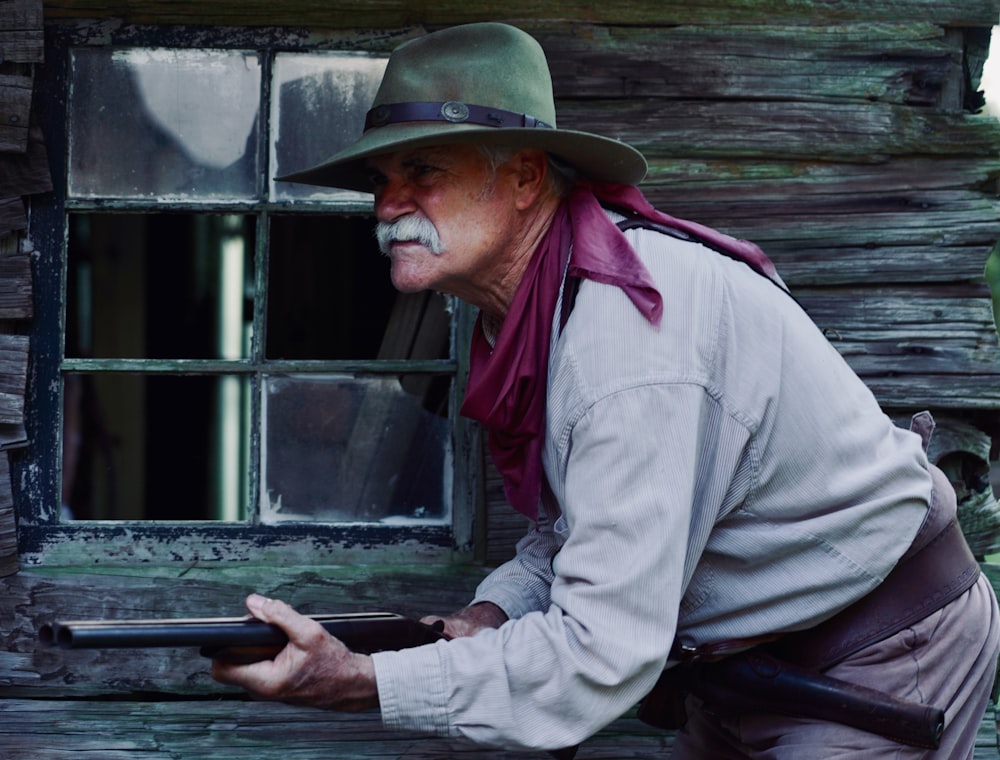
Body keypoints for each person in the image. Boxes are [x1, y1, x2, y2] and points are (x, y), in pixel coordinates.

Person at [212, 22, 1000, 757]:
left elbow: (600, 650)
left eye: (423, 170)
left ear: (524, 177)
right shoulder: (534, 315)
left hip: (880, 652)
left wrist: (364, 682)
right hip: (752, 662)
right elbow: (577, 534)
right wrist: (497, 610)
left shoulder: (627, 337)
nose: (387, 206)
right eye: (382, 179)